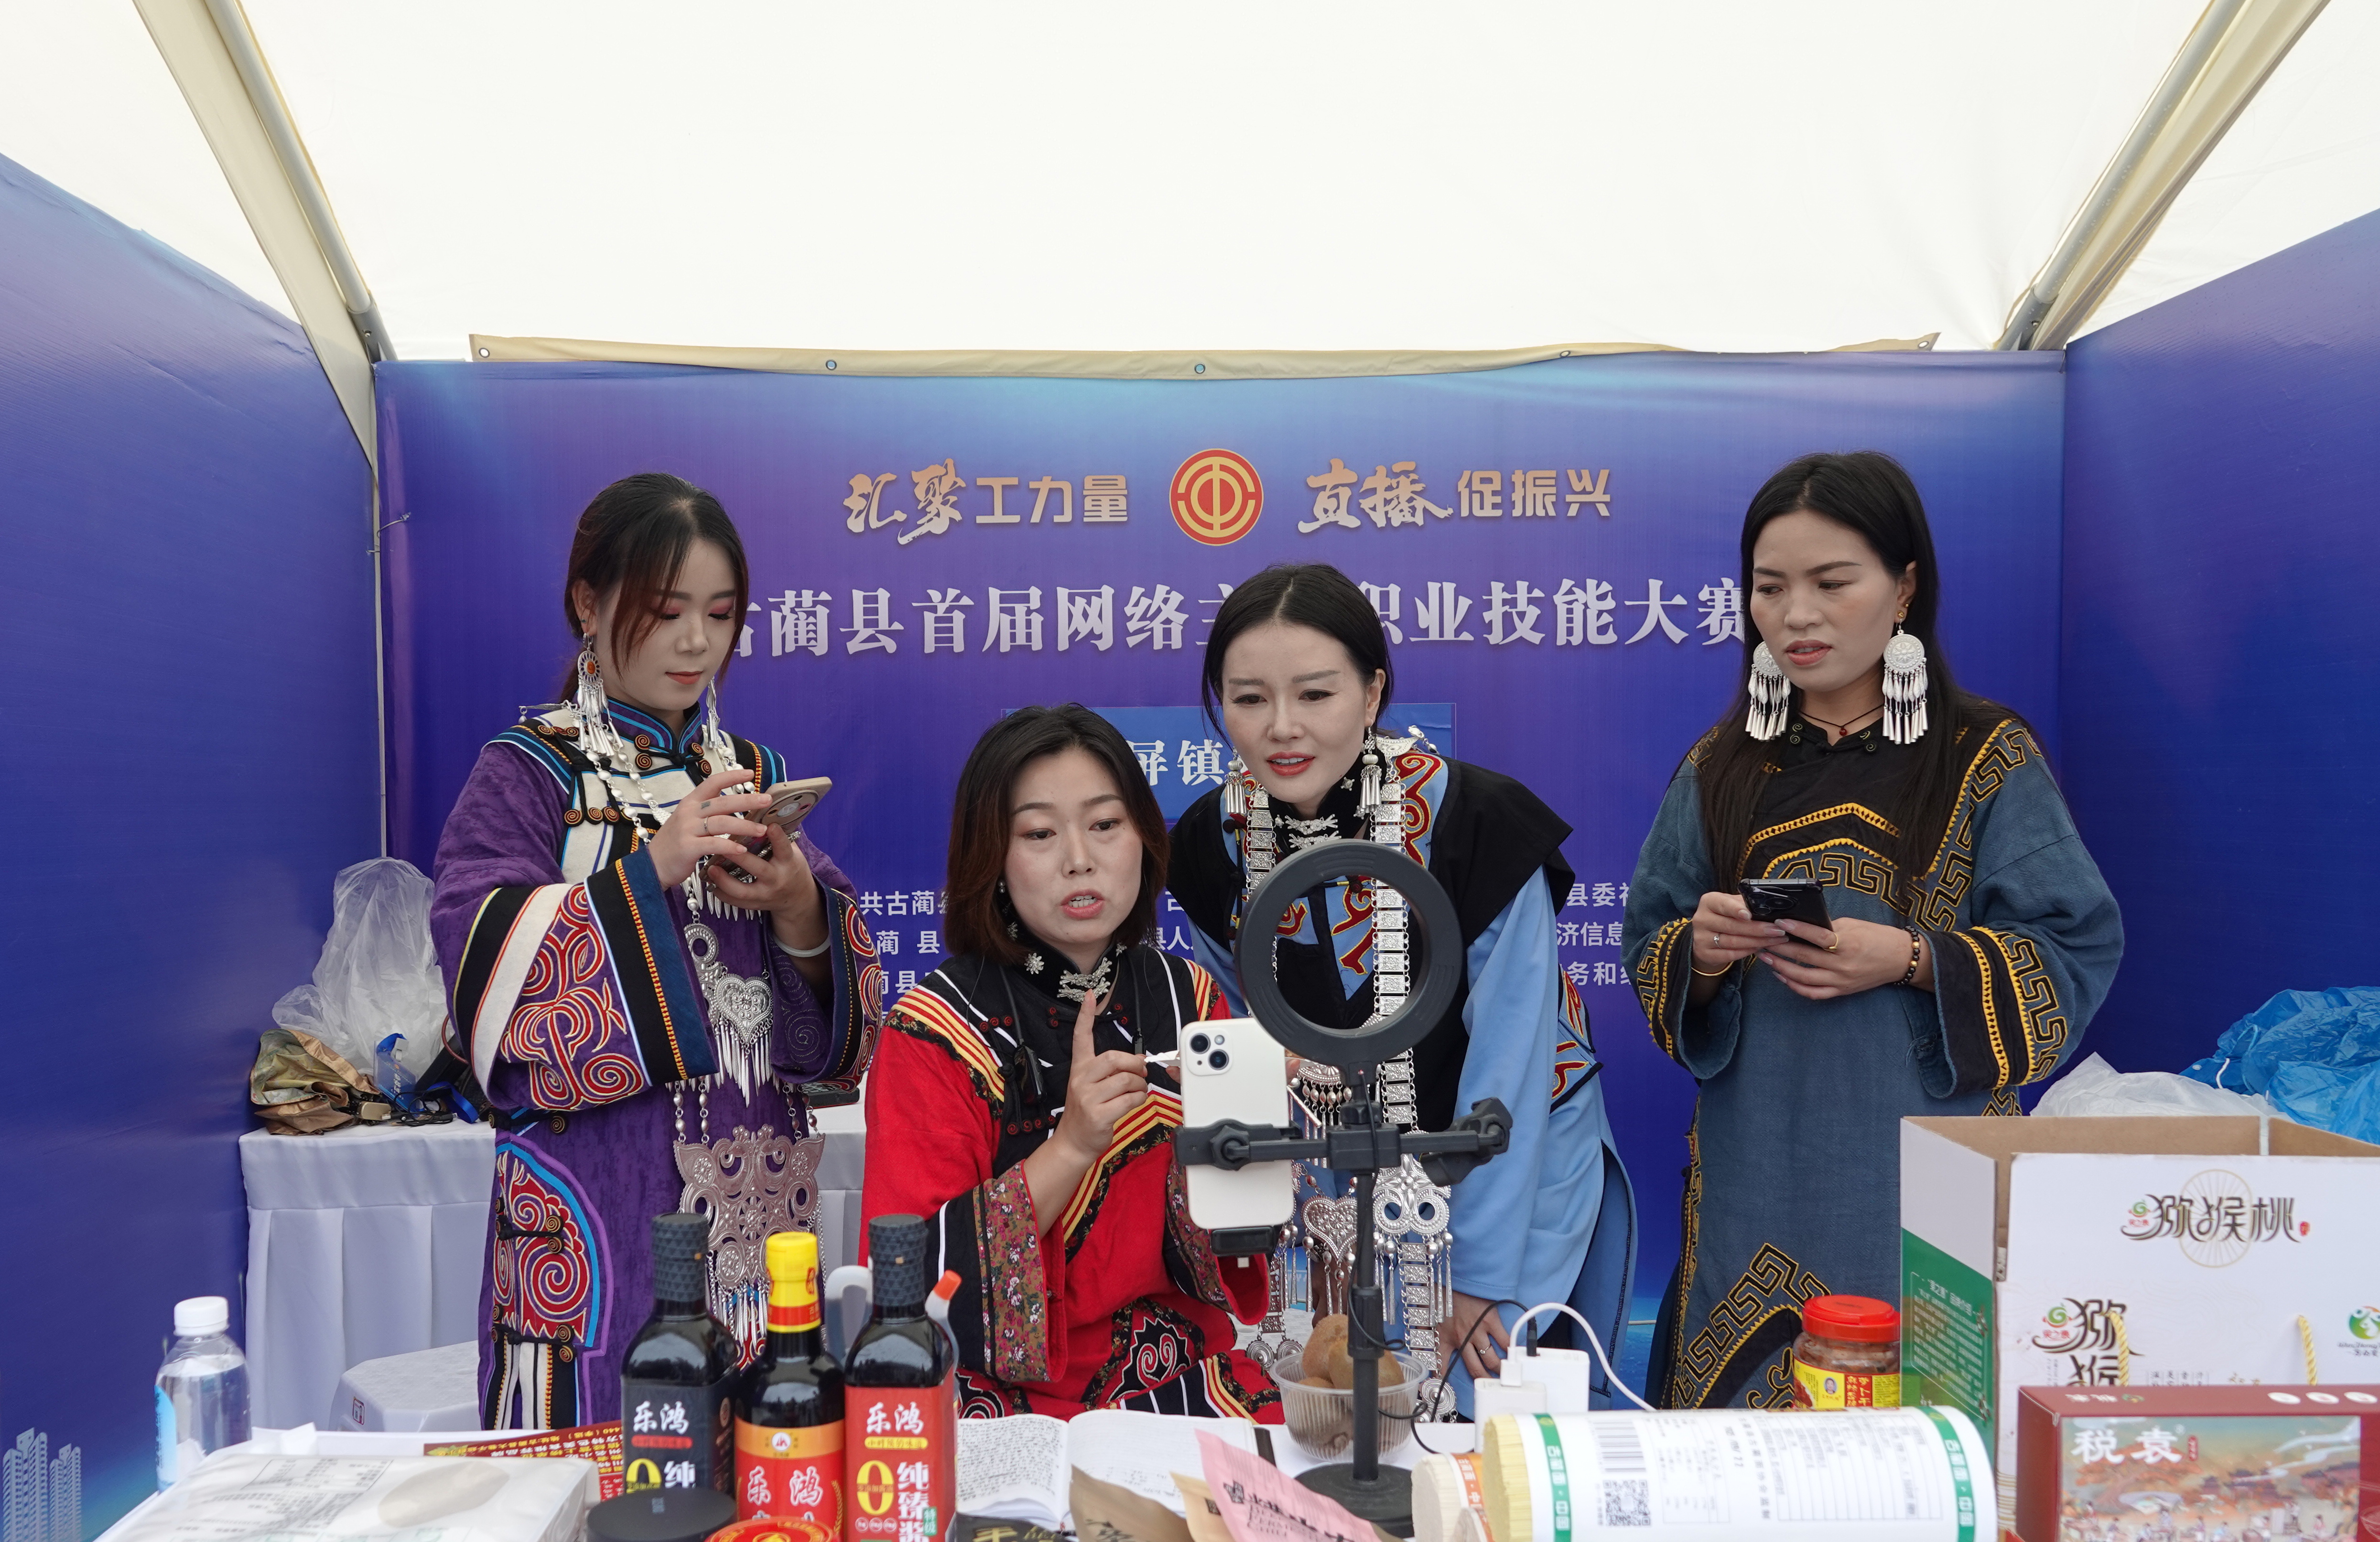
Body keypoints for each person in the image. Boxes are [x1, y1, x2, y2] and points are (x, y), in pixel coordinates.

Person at [1624, 450, 2121, 1409]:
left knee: (1926, 1448)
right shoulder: (1720, 768)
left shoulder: (1985, 758)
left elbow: (2076, 947)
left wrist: (1914, 958)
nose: (1795, 615)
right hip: (1755, 1175)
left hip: (1926, 1177)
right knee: (1741, 1469)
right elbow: (1652, 943)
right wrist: (1703, 953)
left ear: (1903, 589)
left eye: (1831, 582)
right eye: (1770, 588)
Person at [431, 472, 881, 1429]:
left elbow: (837, 1016)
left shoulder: (749, 773)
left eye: (719, 614)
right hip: (597, 1193)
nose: (696, 643)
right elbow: (484, 969)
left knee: (761, 1451)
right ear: (588, 605)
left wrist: (799, 906)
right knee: (595, 1453)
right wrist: (655, 868)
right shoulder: (529, 771)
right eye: (667, 611)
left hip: (751, 1184)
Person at [1167, 565, 1613, 1401]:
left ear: (1372, 693)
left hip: (1505, 1176)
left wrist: (1477, 1277)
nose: (1282, 727)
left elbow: (1515, 1060)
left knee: (1475, 1406)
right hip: (1319, 1185)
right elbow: (1237, 1048)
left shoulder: (1477, 823)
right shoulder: (1207, 844)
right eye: (1249, 698)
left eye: (1316, 694)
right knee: (1321, 1403)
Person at [860, 704, 1279, 1420]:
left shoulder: (1188, 997)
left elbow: (1229, 1253)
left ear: (1144, 839)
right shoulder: (934, 1031)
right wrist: (1073, 1148)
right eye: (1039, 833)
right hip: (1003, 1397)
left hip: (1182, 1375)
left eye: (1106, 824)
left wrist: (1253, 1141)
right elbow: (907, 1286)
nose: (1079, 858)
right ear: (993, 858)